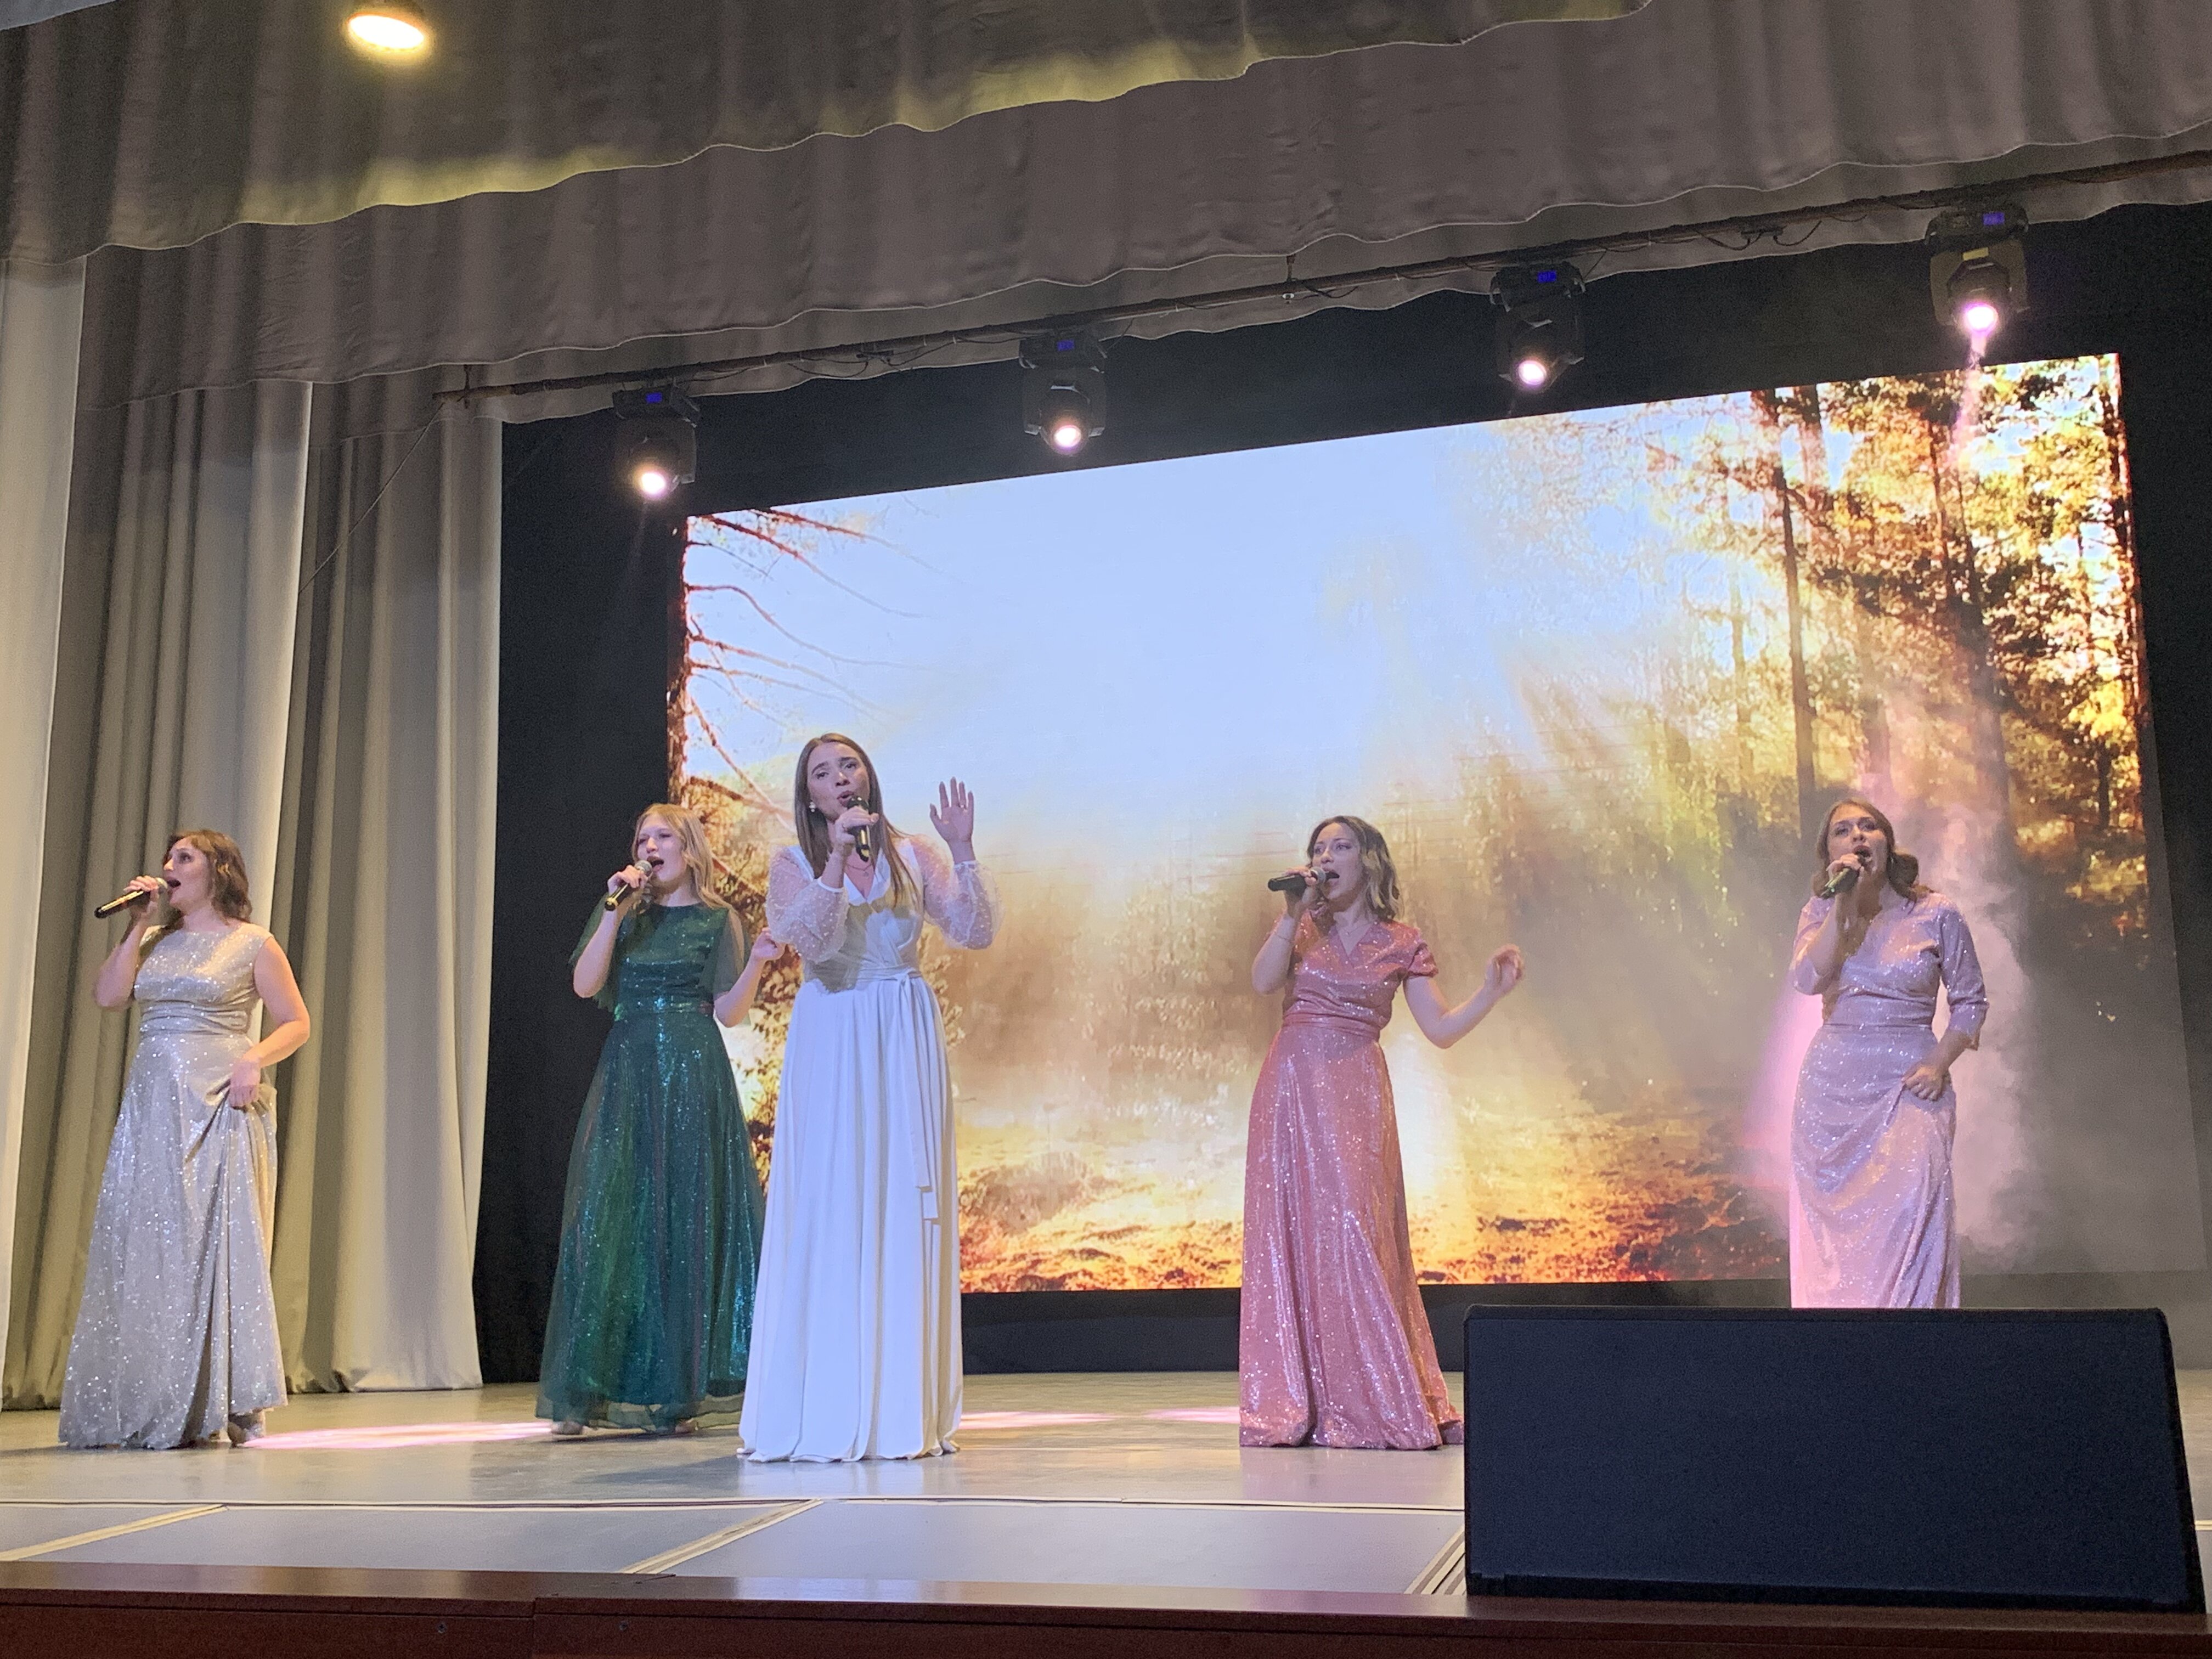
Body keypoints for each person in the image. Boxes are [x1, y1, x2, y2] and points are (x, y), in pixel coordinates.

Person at [740, 734, 997, 1462]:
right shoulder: (792, 864)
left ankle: (900, 1409)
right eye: (823, 773)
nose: (840, 779)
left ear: (868, 777)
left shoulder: (913, 854)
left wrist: (963, 850)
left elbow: (974, 930)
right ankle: (828, 1400)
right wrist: (834, 861)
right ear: (811, 796)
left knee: (902, 1202)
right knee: (836, 1198)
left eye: (848, 765)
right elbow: (815, 945)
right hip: (834, 1033)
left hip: (902, 1030)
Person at [1242, 815, 1522, 1451]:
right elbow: (1262, 982)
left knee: (1356, 1226)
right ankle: (1307, 1400)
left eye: (1340, 846)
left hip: (1357, 1089)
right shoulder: (1303, 927)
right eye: (1318, 848)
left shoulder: (1402, 940)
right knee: (1296, 1232)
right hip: (1292, 1088)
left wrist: (1489, 992)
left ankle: (1376, 1393)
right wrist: (1291, 913)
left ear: (1369, 860)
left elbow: (1440, 1029)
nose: (1326, 856)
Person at [59, 830, 311, 1449]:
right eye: (168, 858)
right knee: (151, 1248)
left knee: (214, 1247)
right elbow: (108, 997)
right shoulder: (153, 940)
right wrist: (135, 926)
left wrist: (254, 1059)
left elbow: (297, 1021)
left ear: (218, 871)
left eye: (184, 858)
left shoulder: (253, 942)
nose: (168, 866)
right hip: (154, 1109)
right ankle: (152, 1393)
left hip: (220, 1101)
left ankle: (227, 1397)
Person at [538, 802, 780, 1435]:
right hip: (630, 1072)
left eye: (663, 836)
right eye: (642, 837)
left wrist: (758, 961)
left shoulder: (719, 920)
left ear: (689, 850)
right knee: (613, 1220)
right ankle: (587, 1391)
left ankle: (677, 1394)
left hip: (694, 1075)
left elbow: (729, 1012)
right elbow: (585, 985)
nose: (649, 846)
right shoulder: (624, 913)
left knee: (684, 1223)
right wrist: (613, 911)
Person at [1788, 798, 1988, 1308]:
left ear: (1887, 843)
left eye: (1868, 826)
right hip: (1832, 1093)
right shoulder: (1820, 911)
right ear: (1829, 853)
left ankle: (1913, 1346)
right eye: (1842, 831)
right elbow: (1808, 979)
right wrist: (1841, 904)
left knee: (1912, 1216)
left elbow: (1971, 1002)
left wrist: (1939, 1064)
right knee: (1835, 1241)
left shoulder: (1936, 912)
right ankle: (1838, 1345)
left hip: (1911, 1083)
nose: (1857, 836)